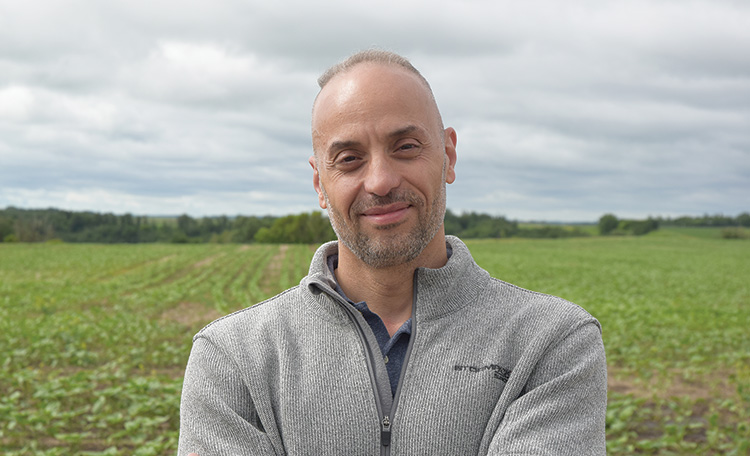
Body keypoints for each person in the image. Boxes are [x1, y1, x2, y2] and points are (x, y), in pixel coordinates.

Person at [178, 50, 607, 455]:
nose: (380, 181)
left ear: (448, 155)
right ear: (319, 184)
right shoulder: (233, 356)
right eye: (349, 158)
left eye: (405, 147)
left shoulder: (551, 342)